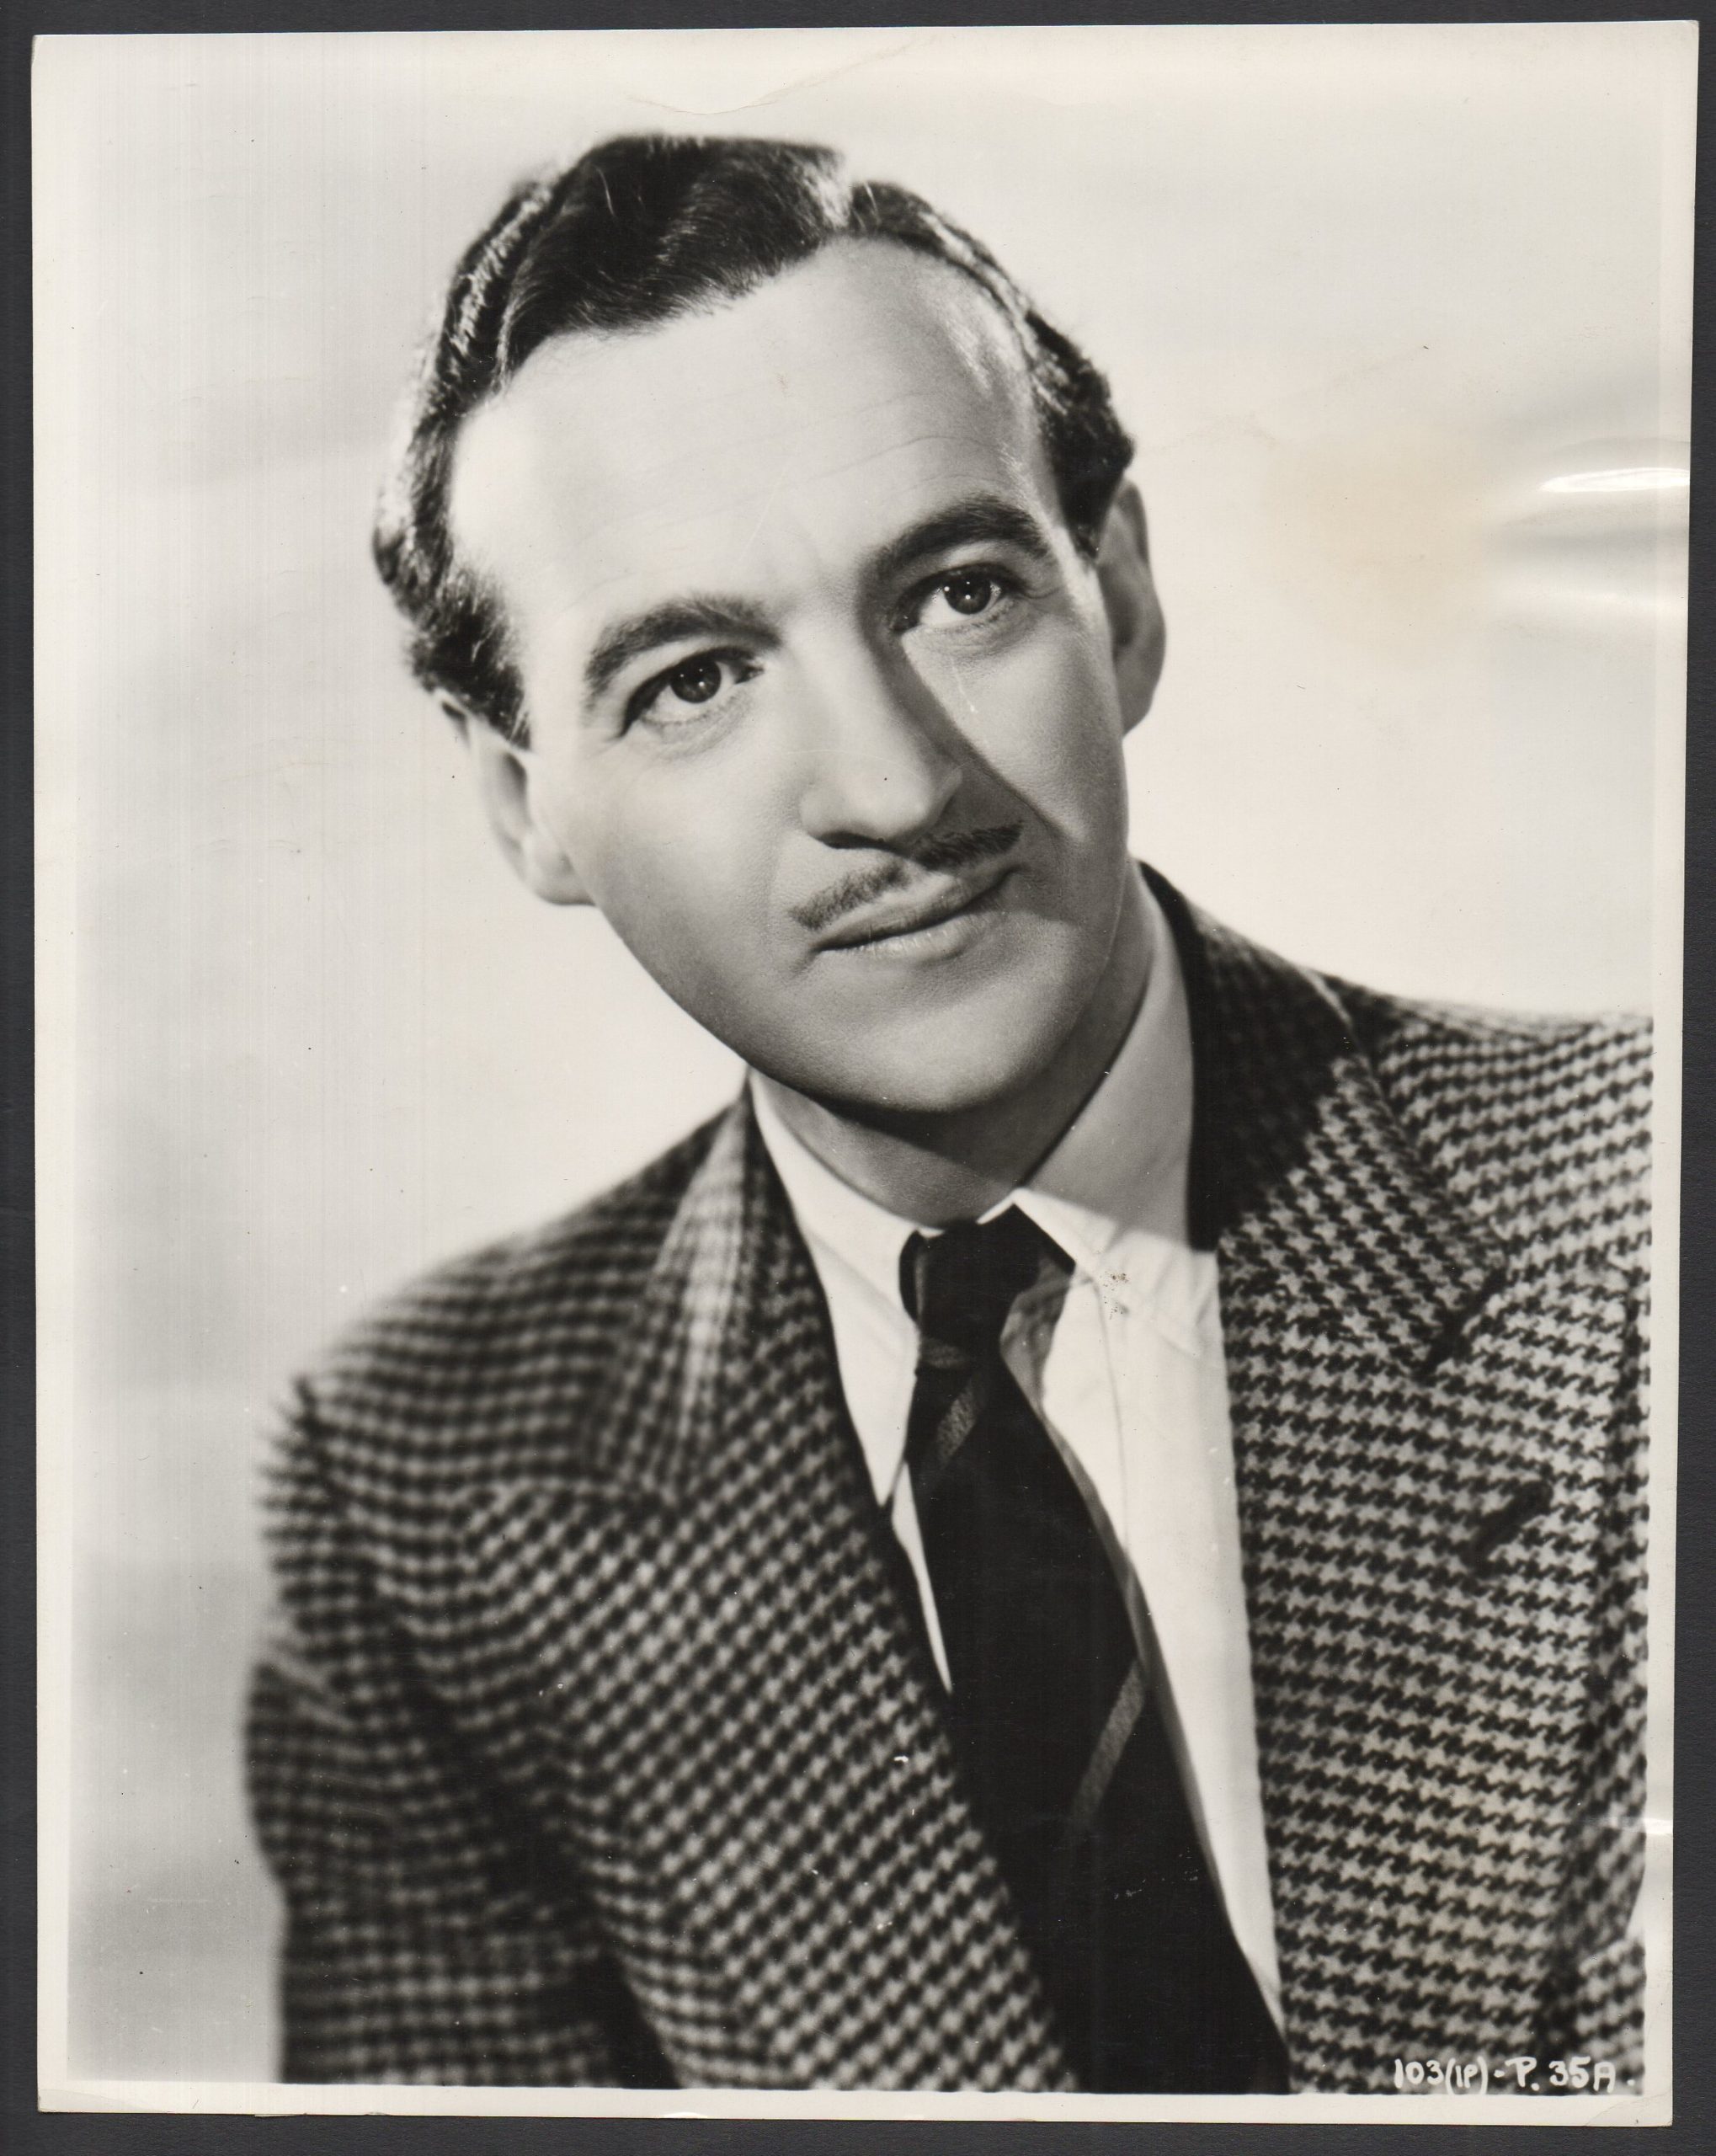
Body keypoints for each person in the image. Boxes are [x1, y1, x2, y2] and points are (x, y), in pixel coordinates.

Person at [246, 132, 1651, 2095]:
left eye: (961, 591)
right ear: (521, 800)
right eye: (694, 678)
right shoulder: (422, 1487)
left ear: (1120, 596)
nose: (895, 791)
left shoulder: (1640, 1206)